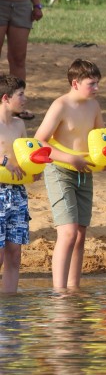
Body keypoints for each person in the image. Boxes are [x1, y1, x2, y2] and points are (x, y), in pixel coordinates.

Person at [35, 59, 106, 290]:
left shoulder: (94, 106)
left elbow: (101, 140)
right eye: (92, 84)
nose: (96, 88)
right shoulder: (60, 105)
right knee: (68, 232)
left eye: (98, 83)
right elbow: (39, 142)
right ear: (75, 83)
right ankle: (59, 292)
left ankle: (73, 289)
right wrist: (70, 158)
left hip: (84, 171)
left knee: (80, 234)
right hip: (59, 171)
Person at [0, 75, 33, 293]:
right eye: (20, 94)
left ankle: (10, 304)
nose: (25, 99)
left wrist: (33, 171)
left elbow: (25, 157)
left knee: (14, 253)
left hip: (18, 193)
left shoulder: (19, 124)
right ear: (6, 98)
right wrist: (4, 161)